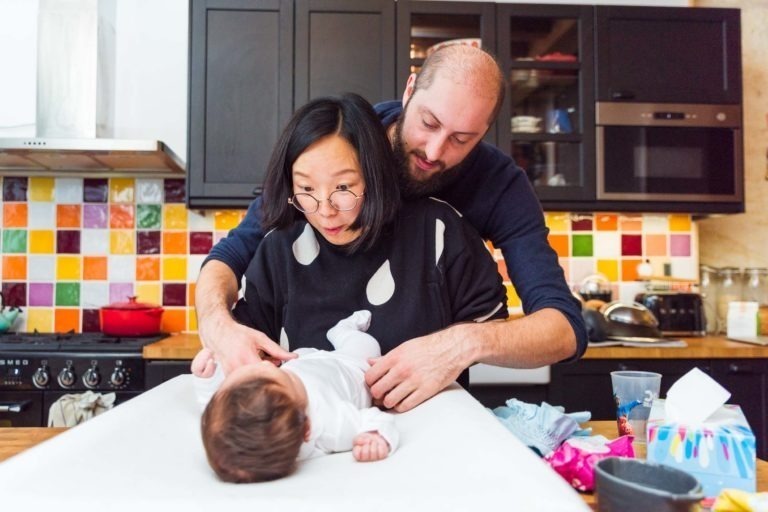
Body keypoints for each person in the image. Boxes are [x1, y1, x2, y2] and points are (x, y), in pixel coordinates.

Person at [196, 45, 587, 412]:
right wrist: (218, 327)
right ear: (410, 90)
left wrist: (461, 343)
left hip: (424, 413)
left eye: (461, 139)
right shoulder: (344, 142)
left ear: (484, 133)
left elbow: (564, 327)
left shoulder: (498, 187)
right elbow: (231, 255)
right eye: (428, 123)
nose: (434, 152)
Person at [194, 310, 399, 483]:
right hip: (349, 366)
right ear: (308, 429)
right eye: (279, 375)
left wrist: (208, 380)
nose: (264, 363)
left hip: (304, 360)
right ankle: (343, 331)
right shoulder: (331, 425)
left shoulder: (244, 417)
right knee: (368, 346)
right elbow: (376, 418)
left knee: (298, 352)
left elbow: (217, 411)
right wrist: (375, 436)